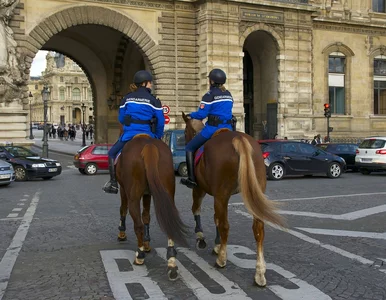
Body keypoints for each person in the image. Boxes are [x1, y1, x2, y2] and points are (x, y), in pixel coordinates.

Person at [102, 70, 164, 194]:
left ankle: (113, 183)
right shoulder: (154, 100)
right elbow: (161, 122)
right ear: (145, 83)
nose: (151, 85)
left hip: (129, 135)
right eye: (150, 83)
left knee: (111, 153)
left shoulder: (127, 98)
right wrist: (157, 135)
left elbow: (120, 118)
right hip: (148, 134)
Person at [180, 68, 234, 189]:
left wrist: (191, 115)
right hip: (228, 128)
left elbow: (201, 115)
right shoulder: (228, 94)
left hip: (212, 129)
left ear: (211, 81)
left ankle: (191, 179)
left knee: (189, 148)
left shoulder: (209, 95)